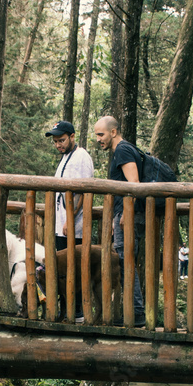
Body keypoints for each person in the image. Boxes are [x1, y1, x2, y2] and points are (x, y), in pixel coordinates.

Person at [93, 115, 146, 327]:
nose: (98, 139)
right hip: (126, 215)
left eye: (101, 134)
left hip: (128, 215)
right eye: (96, 135)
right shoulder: (123, 150)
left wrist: (125, 213)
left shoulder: (123, 150)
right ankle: (135, 313)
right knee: (126, 263)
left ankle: (137, 314)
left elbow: (133, 183)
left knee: (125, 264)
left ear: (113, 132)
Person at [45, 120, 94, 320]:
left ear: (73, 137)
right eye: (56, 142)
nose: (58, 145)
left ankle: (78, 313)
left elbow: (83, 192)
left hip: (73, 226)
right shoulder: (67, 156)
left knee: (74, 268)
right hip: (62, 225)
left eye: (62, 140)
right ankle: (66, 311)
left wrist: (70, 220)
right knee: (64, 270)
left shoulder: (81, 157)